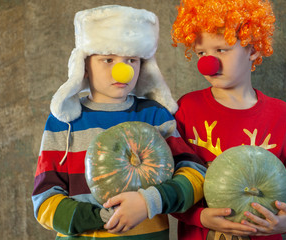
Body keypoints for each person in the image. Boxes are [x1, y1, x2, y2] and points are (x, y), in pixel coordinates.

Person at [32, 5, 206, 240]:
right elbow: (44, 201)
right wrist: (103, 217)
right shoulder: (64, 121)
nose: (122, 70)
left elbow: (195, 174)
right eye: (108, 59)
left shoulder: (155, 116)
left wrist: (149, 202)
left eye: (131, 60)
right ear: (84, 66)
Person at [170, 0, 286, 239]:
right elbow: (171, 182)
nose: (208, 63)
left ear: (252, 50)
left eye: (221, 49)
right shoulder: (187, 108)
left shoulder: (280, 113)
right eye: (202, 53)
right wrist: (198, 216)